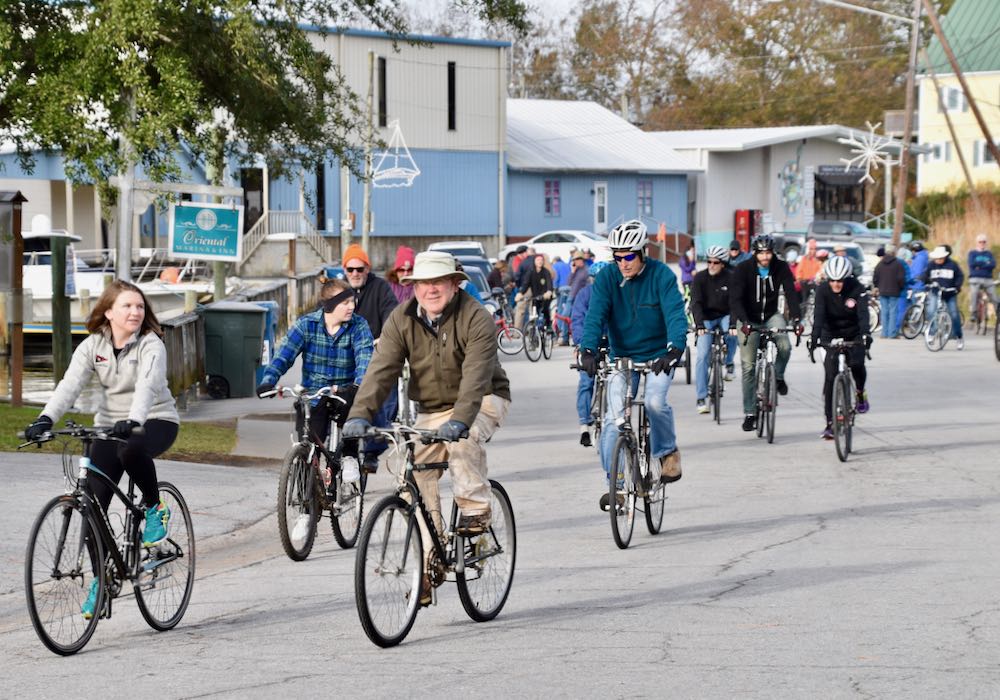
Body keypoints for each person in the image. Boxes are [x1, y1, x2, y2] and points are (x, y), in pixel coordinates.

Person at [343, 251, 510, 605]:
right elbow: (381, 370)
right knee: (412, 475)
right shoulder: (400, 319)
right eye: (423, 283)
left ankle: (476, 509)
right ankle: (428, 563)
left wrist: (460, 421)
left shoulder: (475, 317)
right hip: (432, 408)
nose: (430, 290)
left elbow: (476, 377)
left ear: (453, 284)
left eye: (438, 282)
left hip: (483, 398)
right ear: (413, 287)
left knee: (464, 443)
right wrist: (360, 415)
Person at [23, 280, 180, 619]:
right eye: (127, 306)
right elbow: (70, 384)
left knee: (129, 449)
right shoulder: (93, 345)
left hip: (155, 418)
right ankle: (102, 580)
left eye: (139, 306)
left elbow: (148, 387)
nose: (136, 312)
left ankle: (155, 508)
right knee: (91, 506)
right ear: (109, 312)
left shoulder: (151, 345)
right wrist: (45, 418)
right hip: (110, 424)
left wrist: (134, 419)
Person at [578, 220, 687, 511]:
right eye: (617, 257)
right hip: (622, 357)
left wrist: (675, 348)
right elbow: (595, 316)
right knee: (615, 420)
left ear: (643, 252)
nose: (622, 263)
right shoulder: (606, 279)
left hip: (658, 356)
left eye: (628, 256)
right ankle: (616, 485)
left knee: (653, 402)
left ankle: (667, 454)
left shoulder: (661, 275)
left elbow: (676, 313)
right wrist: (587, 349)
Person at [256, 277, 373, 481]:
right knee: (308, 449)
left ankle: (350, 456)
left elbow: (365, 356)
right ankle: (306, 506)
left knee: (352, 414)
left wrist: (357, 385)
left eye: (352, 301)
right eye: (345, 303)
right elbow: (284, 355)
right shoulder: (306, 325)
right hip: (314, 393)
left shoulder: (359, 326)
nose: (351, 306)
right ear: (330, 305)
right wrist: (269, 380)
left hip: (344, 392)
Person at [730, 234, 802, 432]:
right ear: (755, 253)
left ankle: (777, 376)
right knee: (748, 367)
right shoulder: (743, 269)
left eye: (768, 253)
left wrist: (796, 319)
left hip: (771, 316)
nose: (765, 257)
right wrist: (744, 322)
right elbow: (735, 299)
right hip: (748, 318)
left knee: (785, 346)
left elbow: (791, 294)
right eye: (761, 253)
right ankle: (750, 412)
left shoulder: (780, 267)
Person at [342, 242, 400, 472]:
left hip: (375, 350)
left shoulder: (381, 287)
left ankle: (373, 449)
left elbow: (391, 312)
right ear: (344, 270)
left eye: (360, 269)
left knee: (383, 388)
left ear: (368, 268)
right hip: (345, 354)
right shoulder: (338, 290)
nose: (355, 274)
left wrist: (384, 337)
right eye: (350, 269)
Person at [808, 256, 871, 440]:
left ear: (847, 278)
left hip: (854, 333)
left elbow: (863, 315)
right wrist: (814, 339)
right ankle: (830, 423)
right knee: (830, 377)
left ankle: (860, 392)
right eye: (833, 280)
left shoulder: (857, 288)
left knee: (857, 364)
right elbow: (818, 316)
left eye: (840, 280)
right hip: (831, 334)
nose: (836, 284)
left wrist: (866, 335)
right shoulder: (822, 290)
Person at [691, 245, 738, 414]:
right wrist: (699, 325)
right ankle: (701, 397)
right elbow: (695, 303)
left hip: (725, 315)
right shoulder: (700, 278)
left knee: (733, 334)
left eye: (715, 262)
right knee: (703, 355)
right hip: (706, 318)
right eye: (709, 261)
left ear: (722, 264)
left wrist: (733, 324)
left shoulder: (732, 278)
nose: (711, 265)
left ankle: (729, 363)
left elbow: (734, 304)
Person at [570, 261, 608, 446]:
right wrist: (579, 343)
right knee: (586, 382)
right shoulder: (584, 295)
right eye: (597, 279)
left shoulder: (615, 294)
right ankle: (584, 425)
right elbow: (577, 320)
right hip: (589, 343)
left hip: (610, 343)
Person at [922, 245, 965, 350]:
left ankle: (959, 336)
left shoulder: (953, 265)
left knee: (954, 314)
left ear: (945, 257)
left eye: (940, 258)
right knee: (931, 311)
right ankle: (932, 333)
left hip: (950, 293)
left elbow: (960, 276)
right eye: (936, 258)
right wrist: (926, 282)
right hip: (935, 292)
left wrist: (957, 286)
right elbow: (925, 276)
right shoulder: (931, 265)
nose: (938, 260)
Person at [872, 243, 906, 339]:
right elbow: (901, 278)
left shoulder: (880, 264)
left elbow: (875, 277)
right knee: (893, 312)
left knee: (884, 312)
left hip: (883, 291)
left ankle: (884, 333)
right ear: (894, 252)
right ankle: (892, 333)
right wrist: (901, 287)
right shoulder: (898, 264)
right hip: (894, 291)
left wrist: (877, 286)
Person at [517, 254, 554, 331]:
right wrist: (520, 293)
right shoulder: (531, 272)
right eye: (538, 260)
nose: (540, 262)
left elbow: (549, 283)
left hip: (545, 296)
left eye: (541, 260)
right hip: (535, 296)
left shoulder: (546, 272)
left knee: (545, 310)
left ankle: (548, 326)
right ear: (534, 261)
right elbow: (525, 284)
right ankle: (533, 331)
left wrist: (549, 291)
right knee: (534, 313)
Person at [967, 233, 997, 320]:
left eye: (984, 242)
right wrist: (986, 265)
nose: (982, 243)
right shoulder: (972, 253)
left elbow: (993, 264)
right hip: (975, 278)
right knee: (974, 293)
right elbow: (972, 264)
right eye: (980, 242)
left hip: (988, 279)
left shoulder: (989, 254)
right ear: (977, 243)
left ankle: (998, 313)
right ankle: (974, 313)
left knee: (994, 296)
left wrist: (979, 266)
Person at [552, 255, 572, 345]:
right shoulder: (567, 265)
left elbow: (556, 277)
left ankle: (561, 330)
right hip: (570, 288)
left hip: (561, 288)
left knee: (560, 310)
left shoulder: (555, 266)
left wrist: (554, 287)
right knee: (568, 309)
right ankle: (567, 330)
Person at [795, 238, 823, 303]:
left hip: (816, 282)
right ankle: (803, 312)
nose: (813, 251)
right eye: (811, 249)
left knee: (818, 298)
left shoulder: (818, 260)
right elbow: (799, 270)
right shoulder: (804, 259)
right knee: (804, 299)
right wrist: (799, 278)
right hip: (805, 282)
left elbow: (821, 270)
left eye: (814, 249)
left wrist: (819, 278)